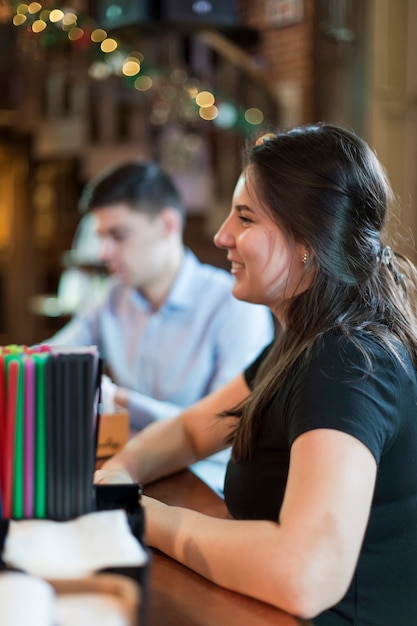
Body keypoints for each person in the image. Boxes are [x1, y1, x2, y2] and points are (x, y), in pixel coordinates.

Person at [95, 123, 417, 624]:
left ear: (310, 241)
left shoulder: (348, 362)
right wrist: (120, 472)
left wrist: (140, 513)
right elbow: (189, 428)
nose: (222, 235)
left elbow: (305, 574)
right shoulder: (301, 342)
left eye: (245, 218)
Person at [48, 161, 274, 495]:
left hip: (207, 485)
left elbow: (226, 428)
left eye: (118, 235)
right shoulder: (113, 297)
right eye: (101, 237)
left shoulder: (234, 305)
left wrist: (119, 400)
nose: (104, 252)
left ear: (167, 224)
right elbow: (50, 356)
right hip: (128, 467)